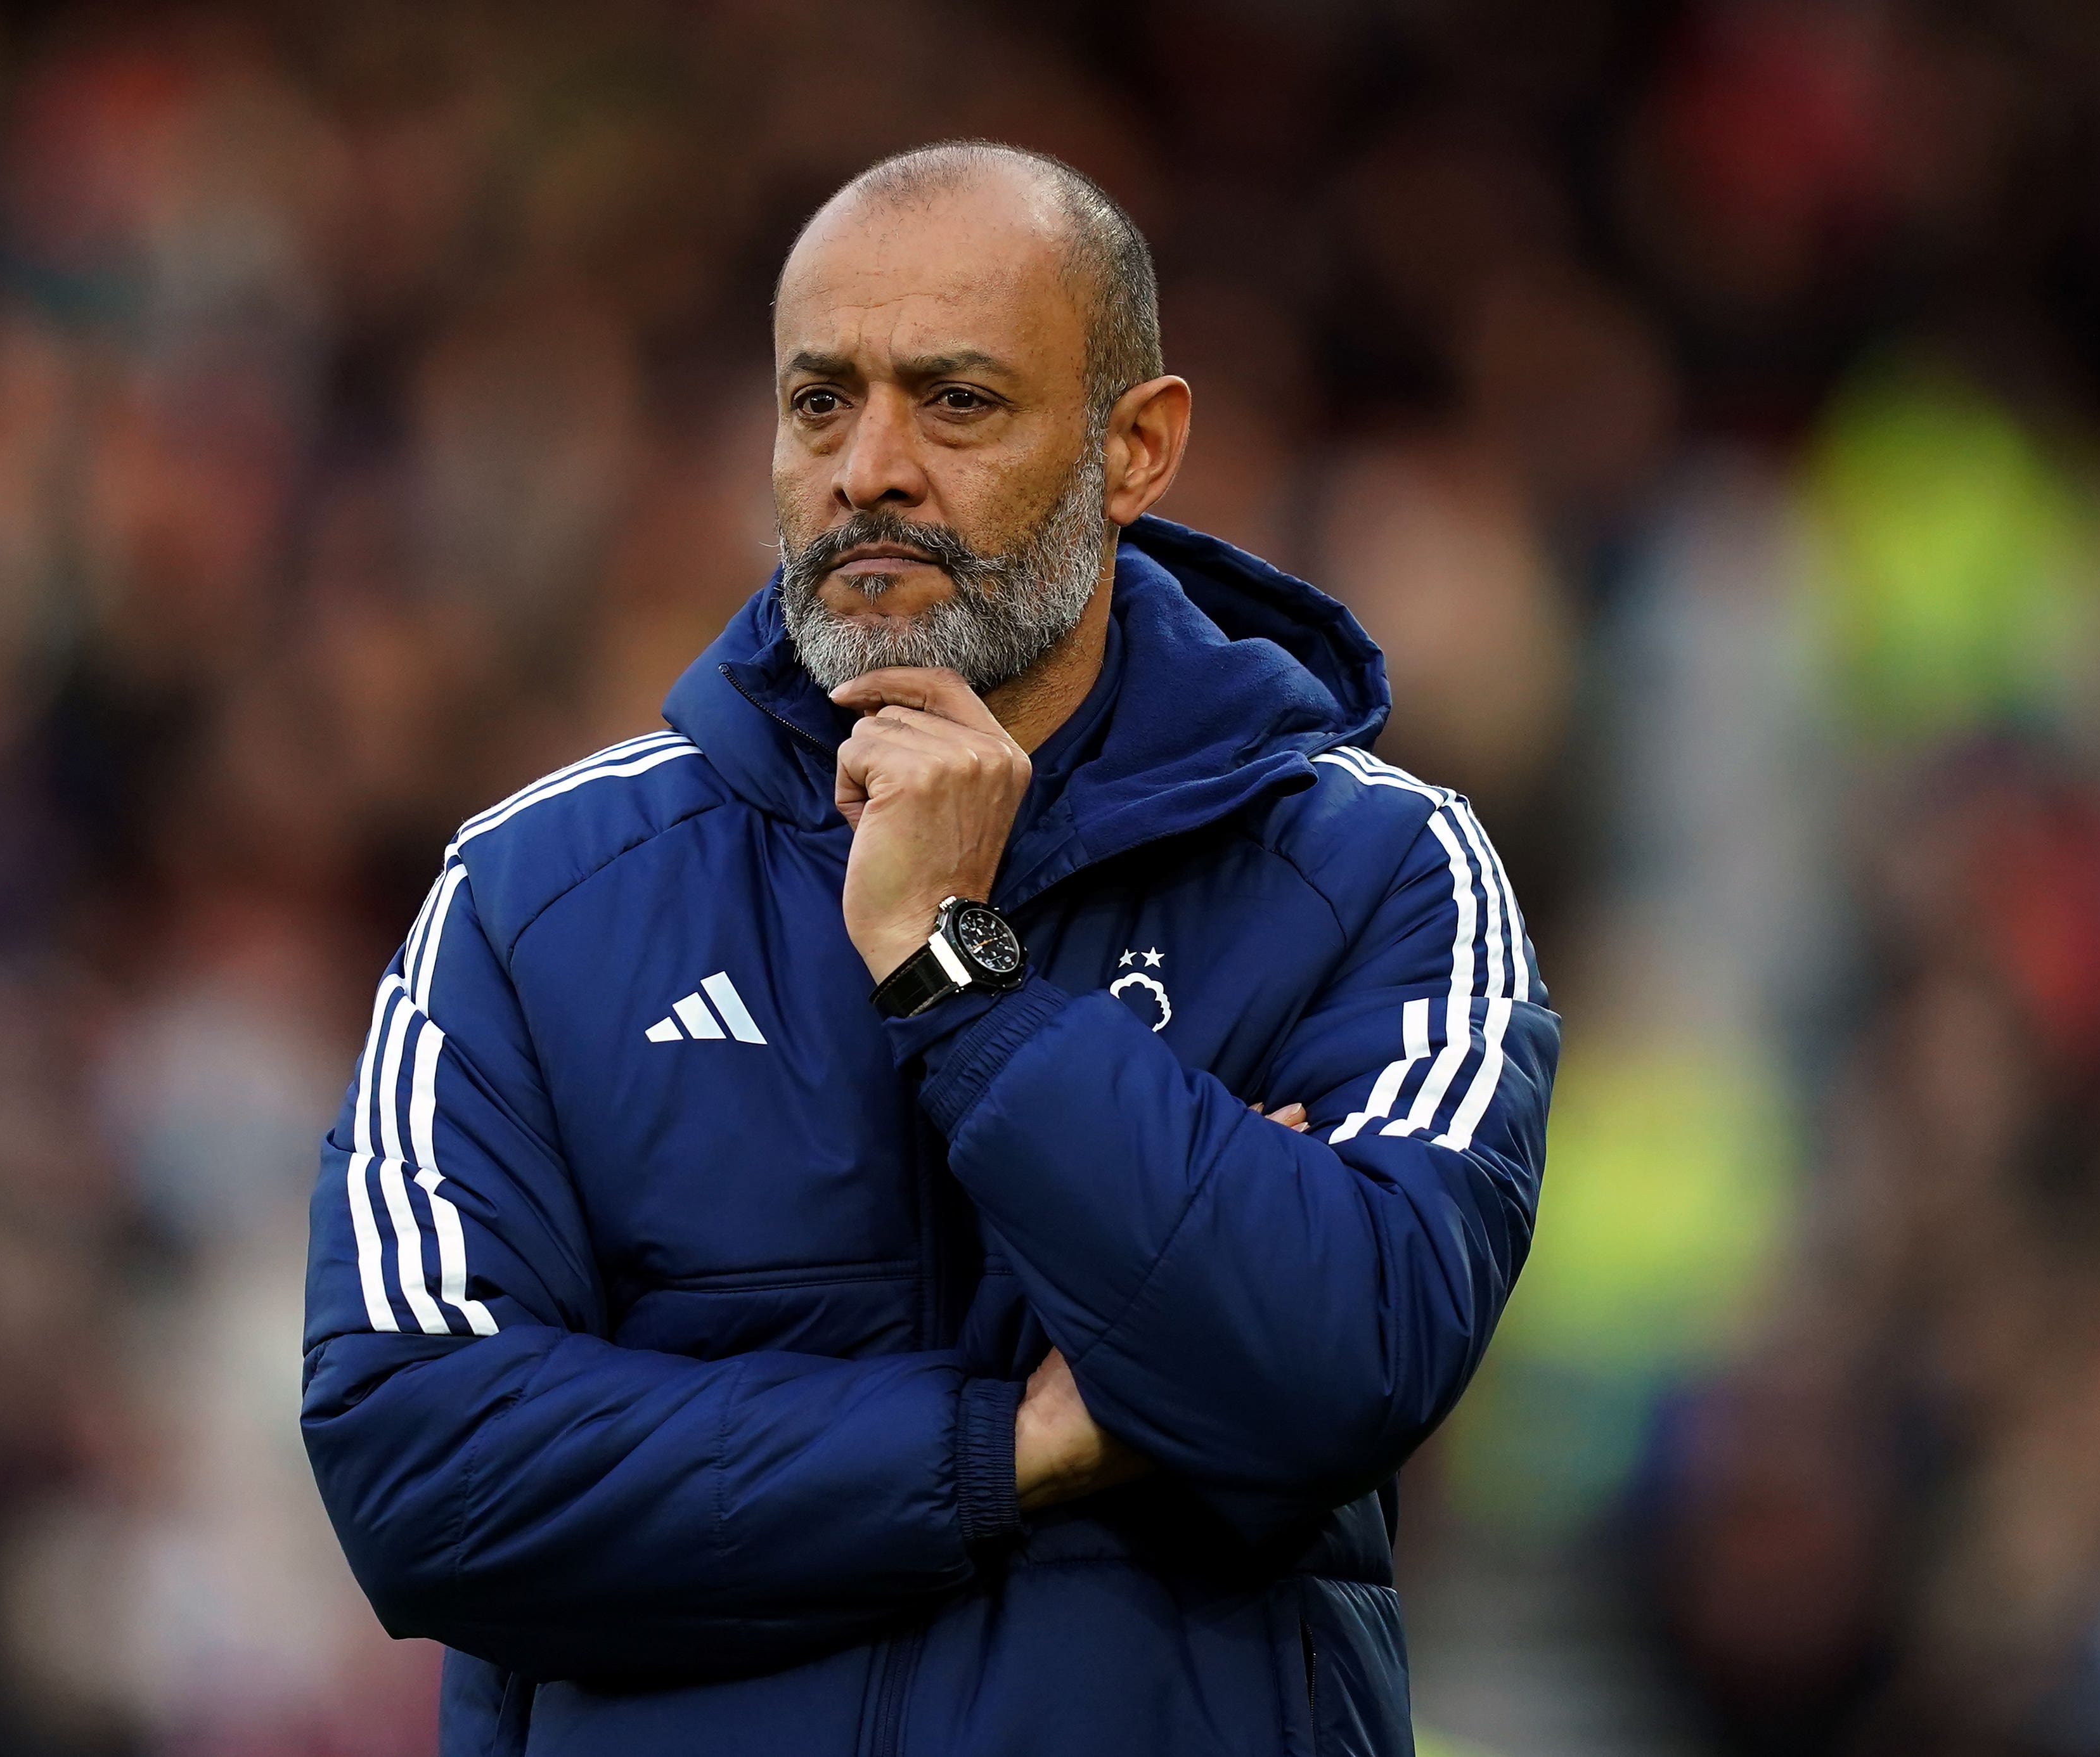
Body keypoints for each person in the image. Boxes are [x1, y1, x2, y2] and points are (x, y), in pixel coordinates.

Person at [300, 140, 1554, 1757]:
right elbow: (420, 1470)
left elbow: (1329, 1365)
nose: (868, 468)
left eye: (954, 401)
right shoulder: (541, 896)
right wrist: (1007, 1448)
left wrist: (956, 975)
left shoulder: (1374, 871)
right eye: (821, 401)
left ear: (1136, 448)